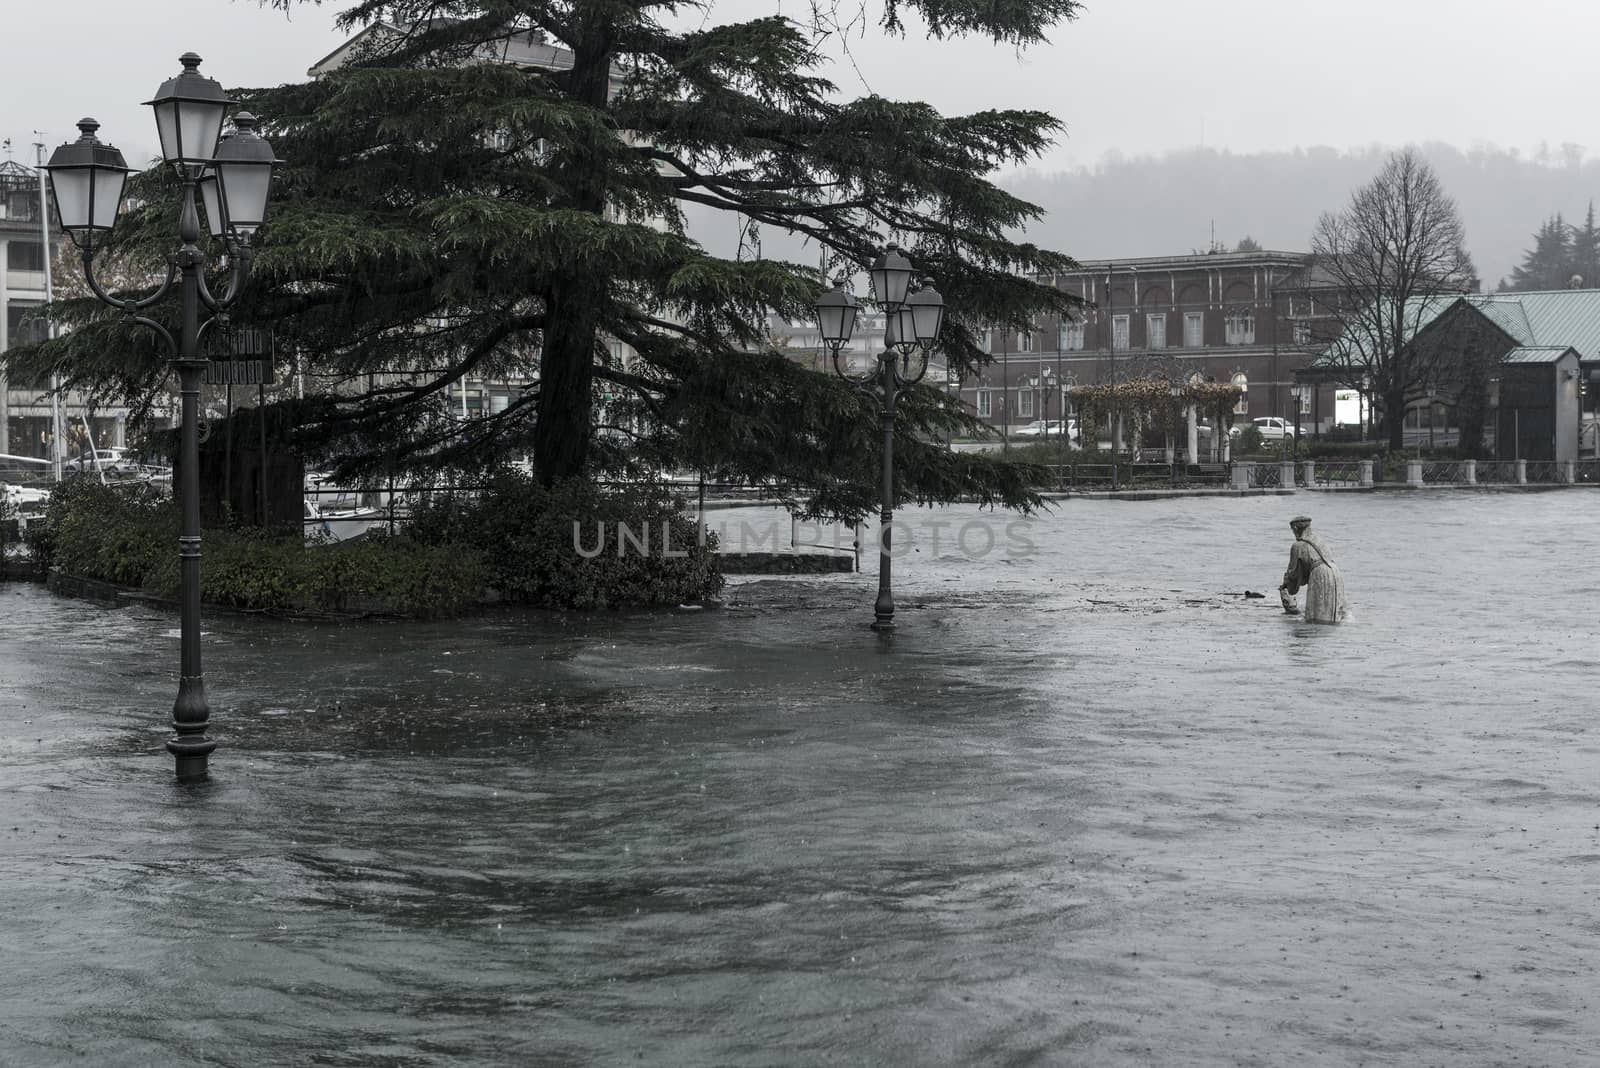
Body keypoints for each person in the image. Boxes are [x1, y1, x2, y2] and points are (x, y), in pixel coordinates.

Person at [1279, 515, 1348, 624]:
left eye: (1293, 530)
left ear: (1296, 529)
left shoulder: (1297, 546)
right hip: (1335, 572)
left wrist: (1286, 584)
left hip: (1320, 574)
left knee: (1317, 614)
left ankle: (1316, 630)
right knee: (1335, 614)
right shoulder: (1320, 541)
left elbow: (1293, 572)